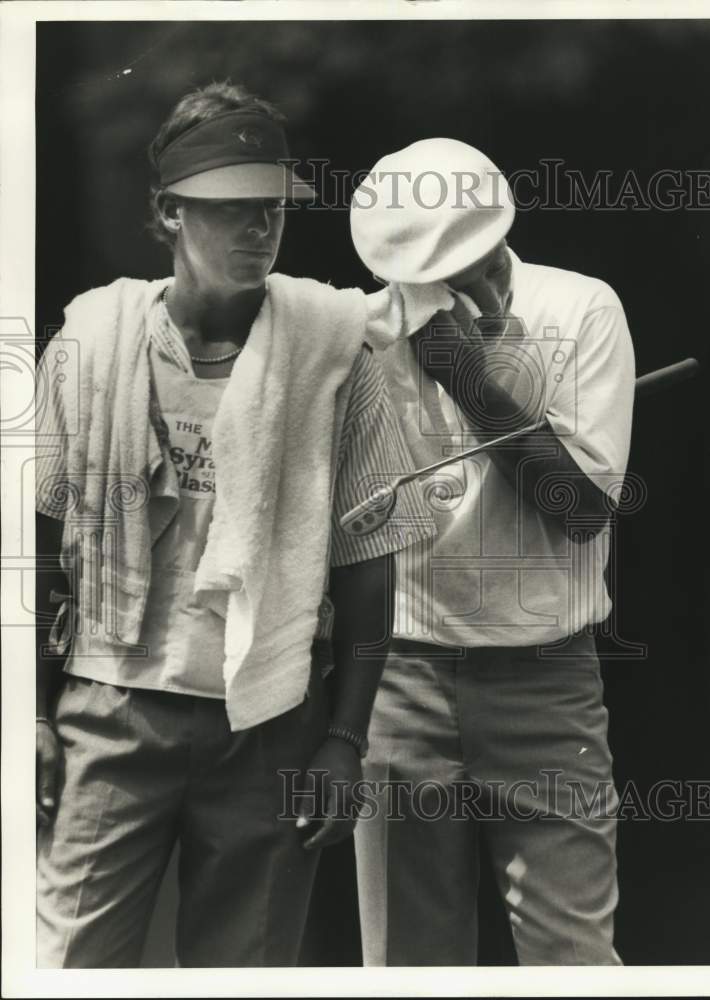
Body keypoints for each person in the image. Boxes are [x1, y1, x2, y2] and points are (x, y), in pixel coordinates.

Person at [34, 83, 435, 968]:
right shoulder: (92, 342)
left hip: (268, 718)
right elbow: (35, 527)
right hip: (112, 703)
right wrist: (25, 712)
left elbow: (368, 561)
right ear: (170, 212)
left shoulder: (333, 356)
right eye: (228, 211)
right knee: (65, 961)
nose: (257, 232)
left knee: (244, 972)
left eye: (271, 211)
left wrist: (343, 741)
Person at [349, 138, 636, 965]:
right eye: (438, 278)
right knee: (409, 964)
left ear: (499, 237)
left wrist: (464, 376)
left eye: (478, 267)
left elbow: (580, 511)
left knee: (574, 960)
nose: (468, 292)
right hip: (400, 681)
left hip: (547, 685)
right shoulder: (364, 332)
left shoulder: (581, 308)